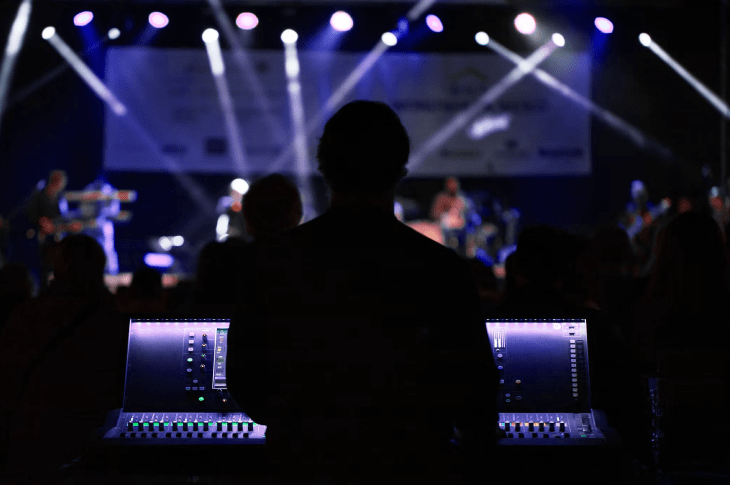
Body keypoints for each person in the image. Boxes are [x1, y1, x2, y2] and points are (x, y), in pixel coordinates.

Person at [227, 101, 499, 483]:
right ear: (401, 171)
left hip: (300, 467)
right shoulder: (442, 269)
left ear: (324, 170)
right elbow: (476, 400)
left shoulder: (272, 261)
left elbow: (245, 381)